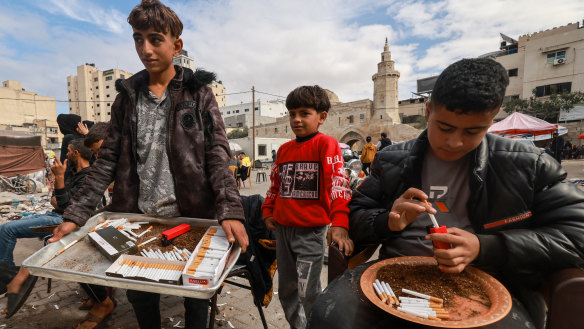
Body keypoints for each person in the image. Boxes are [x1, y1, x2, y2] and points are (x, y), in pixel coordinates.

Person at [308, 58, 584, 328]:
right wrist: (389, 221)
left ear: (493, 118)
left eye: (473, 131)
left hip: (490, 280)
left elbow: (576, 234)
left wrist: (484, 247)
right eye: (444, 127)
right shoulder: (391, 160)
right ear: (428, 111)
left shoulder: (528, 164)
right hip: (396, 275)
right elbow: (355, 214)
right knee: (328, 316)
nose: (454, 142)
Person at [49, 1, 249, 329]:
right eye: (138, 39)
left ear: (176, 44)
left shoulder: (199, 94)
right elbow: (107, 160)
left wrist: (230, 211)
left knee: (195, 298)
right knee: (142, 296)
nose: (146, 49)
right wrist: (75, 215)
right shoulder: (127, 98)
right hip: (137, 220)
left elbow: (217, 153)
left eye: (155, 39)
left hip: (191, 219)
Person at [262, 85, 354, 329]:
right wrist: (268, 211)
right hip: (282, 231)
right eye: (292, 114)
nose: (297, 119)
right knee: (287, 290)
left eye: (304, 113)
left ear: (322, 117)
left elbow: (338, 185)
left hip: (311, 233)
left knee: (308, 292)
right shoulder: (283, 150)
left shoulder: (327, 145)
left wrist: (340, 224)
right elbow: (275, 185)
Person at [0, 140, 115, 325]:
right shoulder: (70, 171)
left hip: (67, 219)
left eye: (68, 151)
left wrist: (60, 183)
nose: (65, 154)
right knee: (7, 229)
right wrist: (60, 187)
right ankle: (10, 277)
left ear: (76, 153)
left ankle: (9, 278)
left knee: (7, 229)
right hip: (57, 214)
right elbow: (56, 200)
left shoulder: (89, 175)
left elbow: (67, 206)